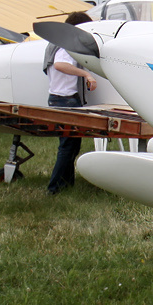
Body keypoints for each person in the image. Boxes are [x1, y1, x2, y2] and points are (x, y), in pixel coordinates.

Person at [43, 13, 98, 195]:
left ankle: (66, 184)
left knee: (71, 145)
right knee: (67, 146)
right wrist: (86, 74)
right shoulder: (67, 46)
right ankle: (54, 188)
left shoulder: (54, 43)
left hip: (57, 98)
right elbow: (60, 65)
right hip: (66, 100)